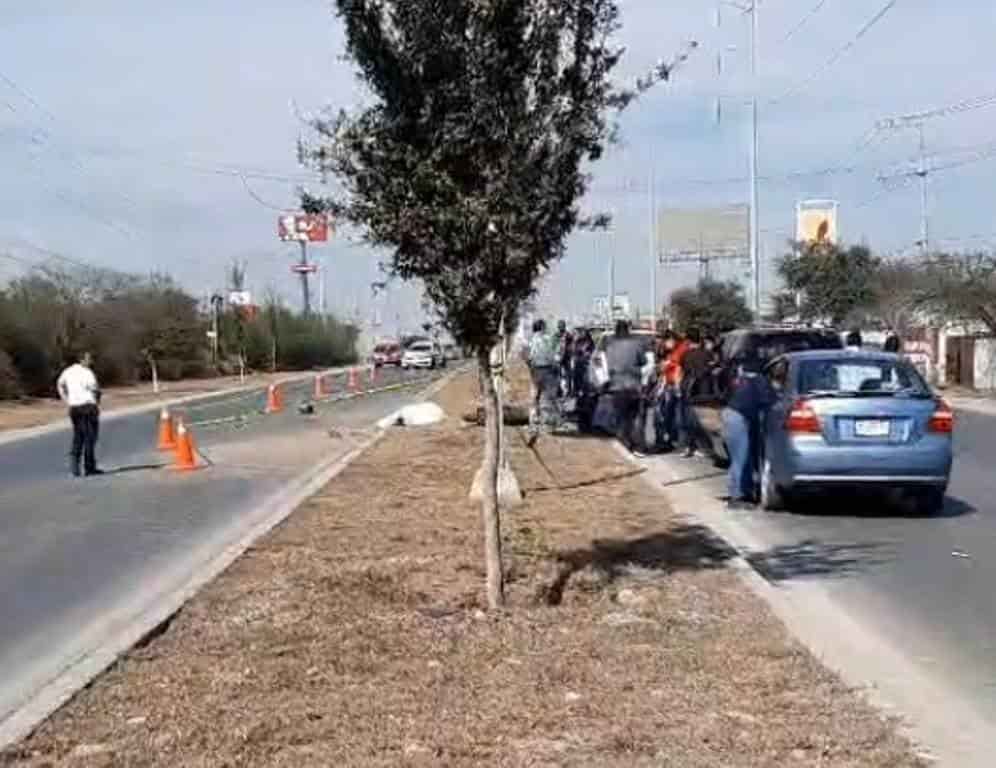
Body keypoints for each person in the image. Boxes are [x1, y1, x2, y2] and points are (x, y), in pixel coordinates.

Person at [722, 358, 776, 509]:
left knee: (743, 457)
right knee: (741, 457)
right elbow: (771, 402)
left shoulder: (742, 380)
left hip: (732, 415)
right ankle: (737, 497)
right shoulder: (760, 381)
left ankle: (744, 492)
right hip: (738, 418)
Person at [57, 351, 102, 477]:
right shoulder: (87, 373)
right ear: (82, 360)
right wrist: (97, 401)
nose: (90, 361)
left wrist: (66, 399)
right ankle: (89, 467)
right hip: (88, 407)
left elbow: (60, 384)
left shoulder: (67, 371)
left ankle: (75, 467)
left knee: (78, 436)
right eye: (88, 359)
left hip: (74, 408)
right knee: (90, 437)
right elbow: (95, 388)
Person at [605, 319, 647, 455]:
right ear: (628, 330)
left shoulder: (609, 346)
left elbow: (607, 366)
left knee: (621, 418)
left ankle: (625, 444)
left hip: (617, 387)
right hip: (634, 386)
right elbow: (643, 361)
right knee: (636, 417)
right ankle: (639, 447)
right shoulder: (636, 344)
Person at [525, 319, 560, 446]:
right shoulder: (548, 339)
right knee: (549, 398)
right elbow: (554, 356)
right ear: (543, 327)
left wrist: (531, 367)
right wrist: (555, 366)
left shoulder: (530, 340)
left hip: (535, 371)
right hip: (548, 370)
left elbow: (526, 356)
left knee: (534, 399)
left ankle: (533, 425)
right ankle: (550, 425)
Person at [678, 328, 710, 459]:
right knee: (702, 420)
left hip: (689, 390)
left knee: (688, 420)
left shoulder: (686, 355)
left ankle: (689, 447)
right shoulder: (707, 354)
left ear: (688, 340)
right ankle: (704, 447)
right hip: (704, 391)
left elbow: (683, 370)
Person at [654, 331, 681, 452]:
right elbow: (660, 369)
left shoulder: (677, 353)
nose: (665, 343)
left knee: (666, 414)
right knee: (662, 414)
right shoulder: (663, 352)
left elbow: (672, 369)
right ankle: (663, 440)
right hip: (665, 386)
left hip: (671, 387)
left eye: (667, 340)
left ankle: (667, 440)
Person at [572, 328, 595, 398]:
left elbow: (593, 350)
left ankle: (586, 391)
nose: (582, 333)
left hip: (586, 362)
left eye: (583, 332)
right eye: (581, 332)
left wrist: (588, 353)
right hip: (578, 362)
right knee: (577, 377)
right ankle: (577, 391)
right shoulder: (577, 341)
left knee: (586, 378)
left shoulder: (590, 341)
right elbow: (574, 350)